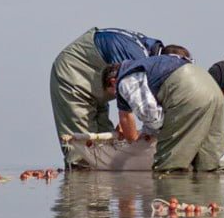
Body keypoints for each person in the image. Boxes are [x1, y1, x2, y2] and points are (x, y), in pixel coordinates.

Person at [50, 27, 163, 165]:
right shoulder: (135, 56)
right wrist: (132, 135)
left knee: (106, 145)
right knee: (83, 149)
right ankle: (80, 182)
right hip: (73, 76)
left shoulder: (147, 52)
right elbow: (129, 107)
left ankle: (104, 183)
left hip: (99, 81)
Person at [101, 49, 224, 172]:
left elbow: (153, 118)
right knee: (210, 164)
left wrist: (147, 133)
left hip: (188, 94)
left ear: (113, 82)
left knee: (168, 167)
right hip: (212, 89)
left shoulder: (126, 79)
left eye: (114, 95)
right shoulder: (148, 65)